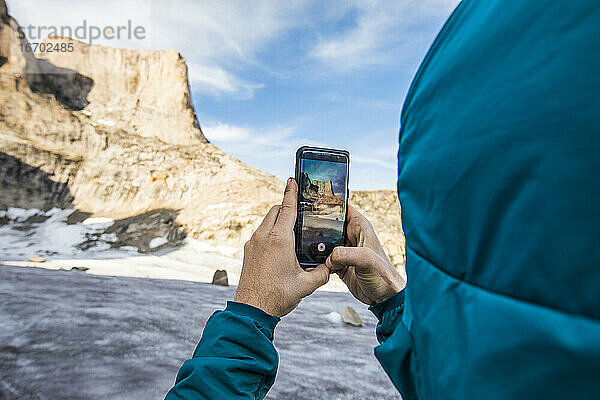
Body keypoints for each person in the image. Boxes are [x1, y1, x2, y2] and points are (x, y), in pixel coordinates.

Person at [166, 1, 600, 399]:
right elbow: (455, 380)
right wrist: (392, 302)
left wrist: (250, 314)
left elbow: (457, 377)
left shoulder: (469, 39)